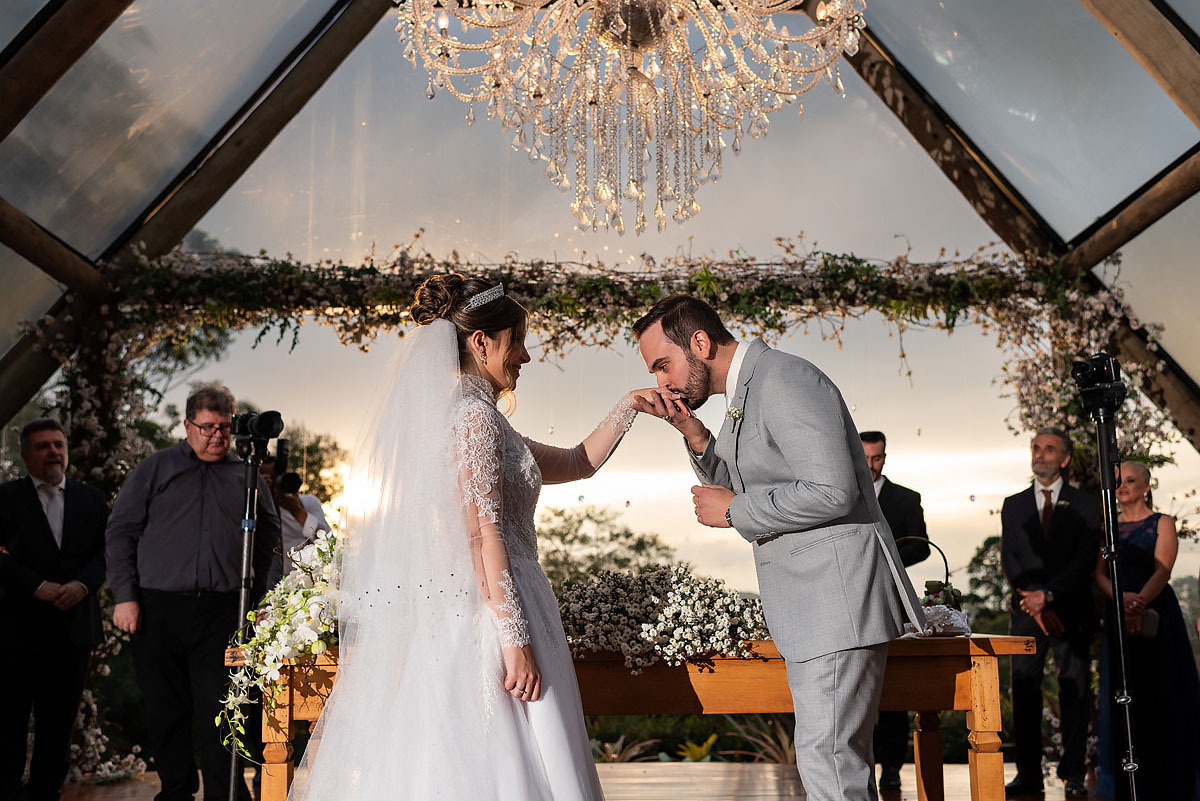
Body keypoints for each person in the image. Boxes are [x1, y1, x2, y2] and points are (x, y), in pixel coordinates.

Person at [288, 275, 648, 801]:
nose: (524, 356)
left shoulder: (478, 420)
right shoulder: (475, 420)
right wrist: (515, 641)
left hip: (501, 601)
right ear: (482, 342)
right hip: (493, 616)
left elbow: (576, 462)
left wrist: (630, 406)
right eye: (516, 341)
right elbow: (483, 536)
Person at [631, 295, 924, 801]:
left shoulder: (784, 380)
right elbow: (749, 480)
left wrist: (733, 513)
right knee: (832, 764)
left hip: (835, 601)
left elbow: (832, 491)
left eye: (664, 364)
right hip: (815, 606)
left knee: (831, 764)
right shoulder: (747, 389)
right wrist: (694, 433)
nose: (662, 381)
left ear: (699, 343)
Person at [106, 384, 282, 801]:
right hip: (156, 608)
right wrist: (124, 596)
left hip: (223, 613)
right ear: (187, 425)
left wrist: (263, 601)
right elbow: (121, 531)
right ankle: (176, 792)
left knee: (223, 714)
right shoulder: (155, 469)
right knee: (166, 712)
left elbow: (271, 540)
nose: (216, 436)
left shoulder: (247, 475)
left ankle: (226, 796)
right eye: (206, 427)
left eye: (223, 427)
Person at [0, 419, 108, 801]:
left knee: (58, 723)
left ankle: (45, 794)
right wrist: (37, 586)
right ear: (26, 454)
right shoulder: (5, 498)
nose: (53, 452)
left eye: (58, 445)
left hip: (74, 629)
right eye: (43, 446)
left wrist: (80, 586)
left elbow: (107, 552)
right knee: (9, 720)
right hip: (16, 630)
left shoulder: (91, 499)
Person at [999, 427, 1099, 799]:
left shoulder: (1086, 505)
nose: (1040, 455)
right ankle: (1028, 774)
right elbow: (1010, 558)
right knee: (1024, 691)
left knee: (1073, 691)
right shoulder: (1014, 505)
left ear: (1065, 458)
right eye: (1036, 448)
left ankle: (1073, 772)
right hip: (1026, 614)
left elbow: (1085, 559)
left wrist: (1050, 595)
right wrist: (1033, 600)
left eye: (1049, 449)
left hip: (1071, 611)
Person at [1093, 461, 1200, 801]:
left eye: (1130, 480)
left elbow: (1163, 569)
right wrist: (1120, 598)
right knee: (1125, 691)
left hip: (1158, 614)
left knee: (1164, 691)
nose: (1122, 486)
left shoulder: (1162, 522)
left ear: (1146, 487)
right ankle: (1122, 783)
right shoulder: (1107, 526)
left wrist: (1138, 602)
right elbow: (1097, 574)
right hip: (1117, 612)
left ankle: (1170, 780)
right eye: (1118, 481)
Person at [860, 430, 930, 792]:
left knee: (893, 691)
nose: (872, 465)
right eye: (867, 457)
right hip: (850, 602)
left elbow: (922, 547)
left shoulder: (906, 498)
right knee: (858, 692)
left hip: (892, 600)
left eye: (878, 458)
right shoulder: (844, 494)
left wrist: (886, 561)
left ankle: (891, 770)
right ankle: (862, 772)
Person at [258, 454, 329, 572]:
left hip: (300, 579)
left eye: (275, 478)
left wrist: (297, 512)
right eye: (265, 478)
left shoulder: (307, 503)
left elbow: (327, 541)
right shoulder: (251, 508)